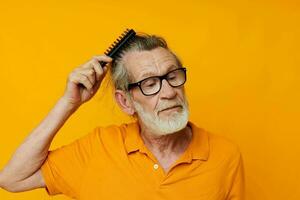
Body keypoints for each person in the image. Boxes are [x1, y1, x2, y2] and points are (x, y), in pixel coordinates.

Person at [0, 33, 245, 199]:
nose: (170, 92)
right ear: (126, 102)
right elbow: (12, 179)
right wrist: (68, 103)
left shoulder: (225, 156)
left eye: (173, 76)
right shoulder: (98, 148)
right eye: (150, 83)